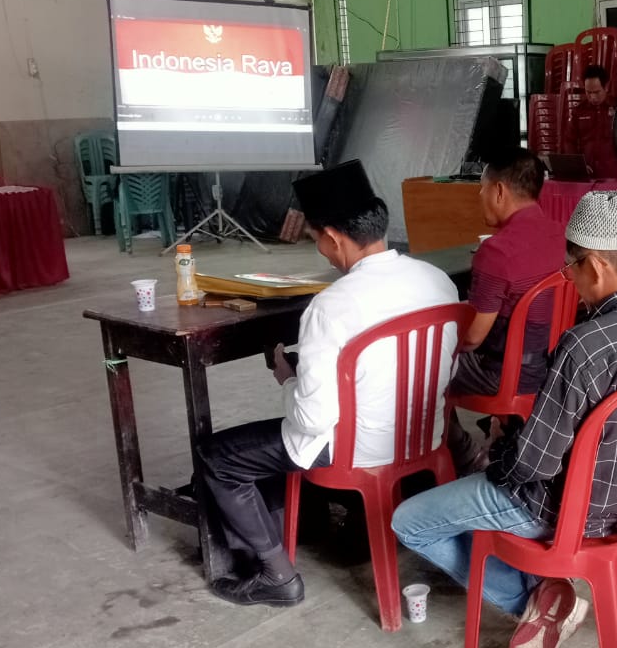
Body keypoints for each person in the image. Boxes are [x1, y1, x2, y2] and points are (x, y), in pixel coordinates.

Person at [392, 191, 617, 648]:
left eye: (571, 268)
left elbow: (532, 465)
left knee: (410, 521)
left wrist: (497, 455)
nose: (571, 280)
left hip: (567, 513)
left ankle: (533, 598)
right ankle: (544, 592)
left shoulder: (585, 344)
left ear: (595, 266)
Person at [195, 159, 459, 606]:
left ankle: (277, 576)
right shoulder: (438, 281)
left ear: (333, 238)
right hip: (420, 435)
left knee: (217, 457)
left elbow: (313, 419)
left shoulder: (330, 305)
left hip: (355, 448)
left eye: (316, 239)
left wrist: (288, 379)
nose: (321, 250)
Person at [446, 148, 567, 472]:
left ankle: (464, 455)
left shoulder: (497, 251)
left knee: (423, 367)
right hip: (549, 366)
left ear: (499, 191)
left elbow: (472, 337)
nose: (480, 196)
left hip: (505, 376)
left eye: (482, 188)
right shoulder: (561, 236)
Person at [568, 64, 617, 182]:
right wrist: (578, 166)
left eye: (597, 92)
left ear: (606, 87)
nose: (593, 97)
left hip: (616, 177)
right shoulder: (578, 111)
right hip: (589, 177)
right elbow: (569, 142)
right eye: (588, 92)